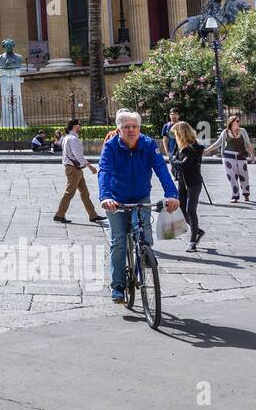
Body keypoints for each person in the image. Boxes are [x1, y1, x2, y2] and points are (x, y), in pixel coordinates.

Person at [98, 109, 180, 304]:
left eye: (135, 126)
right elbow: (105, 171)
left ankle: (142, 261)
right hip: (117, 200)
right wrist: (105, 196)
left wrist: (172, 194)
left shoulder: (149, 144)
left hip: (141, 197)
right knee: (118, 241)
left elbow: (161, 169)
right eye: (127, 127)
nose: (132, 130)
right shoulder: (110, 147)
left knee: (145, 238)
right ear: (119, 129)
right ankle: (118, 285)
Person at [54, 118, 103, 224]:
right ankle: (59, 214)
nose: (81, 127)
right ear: (76, 126)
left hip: (73, 168)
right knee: (70, 192)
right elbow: (78, 156)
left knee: (85, 193)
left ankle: (93, 215)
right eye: (80, 125)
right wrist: (90, 167)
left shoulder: (66, 138)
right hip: (74, 169)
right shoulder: (73, 139)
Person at [170, 121, 207, 251]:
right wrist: (175, 161)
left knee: (191, 211)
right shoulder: (179, 146)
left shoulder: (194, 147)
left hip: (193, 182)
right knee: (181, 209)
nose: (174, 136)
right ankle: (197, 230)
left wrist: (174, 161)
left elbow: (182, 164)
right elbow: (174, 159)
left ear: (181, 133)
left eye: (175, 133)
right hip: (182, 181)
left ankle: (192, 242)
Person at [204, 115, 255, 202]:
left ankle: (246, 194)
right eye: (237, 121)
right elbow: (218, 143)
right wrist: (207, 150)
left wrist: (252, 155)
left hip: (241, 156)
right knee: (232, 177)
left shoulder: (243, 131)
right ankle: (235, 196)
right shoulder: (225, 132)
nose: (239, 123)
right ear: (231, 122)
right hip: (228, 156)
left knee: (244, 176)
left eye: (239, 121)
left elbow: (247, 144)